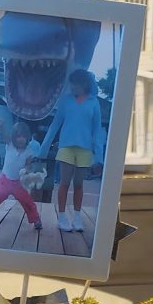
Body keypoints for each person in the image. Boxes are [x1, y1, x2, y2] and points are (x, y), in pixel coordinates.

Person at [38, 68, 105, 232]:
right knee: (64, 183)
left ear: (85, 84)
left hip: (85, 150)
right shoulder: (66, 101)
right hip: (66, 148)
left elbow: (97, 130)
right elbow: (55, 125)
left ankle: (77, 217)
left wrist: (99, 157)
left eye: (76, 84)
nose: (73, 87)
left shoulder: (94, 103)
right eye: (72, 84)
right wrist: (42, 150)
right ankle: (61, 218)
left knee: (79, 185)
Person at [0, 119, 42, 229]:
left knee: (27, 201)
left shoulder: (29, 151)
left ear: (28, 137)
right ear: (14, 138)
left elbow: (28, 164)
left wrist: (26, 170)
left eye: (23, 137)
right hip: (5, 180)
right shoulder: (10, 145)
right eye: (18, 136)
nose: (21, 139)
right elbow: (5, 136)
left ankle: (36, 219)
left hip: (19, 183)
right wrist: (1, 127)